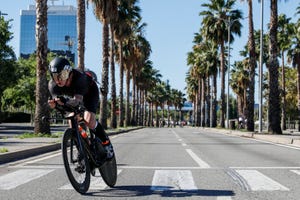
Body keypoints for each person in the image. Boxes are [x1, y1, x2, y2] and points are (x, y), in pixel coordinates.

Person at [47, 57, 114, 160]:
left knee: (89, 121)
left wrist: (63, 101)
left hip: (89, 94)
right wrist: (55, 105)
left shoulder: (80, 79)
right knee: (72, 120)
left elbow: (77, 101)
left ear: (68, 72)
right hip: (72, 98)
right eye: (55, 77)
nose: (58, 80)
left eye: (62, 75)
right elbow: (61, 104)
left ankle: (106, 143)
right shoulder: (53, 85)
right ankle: (83, 150)